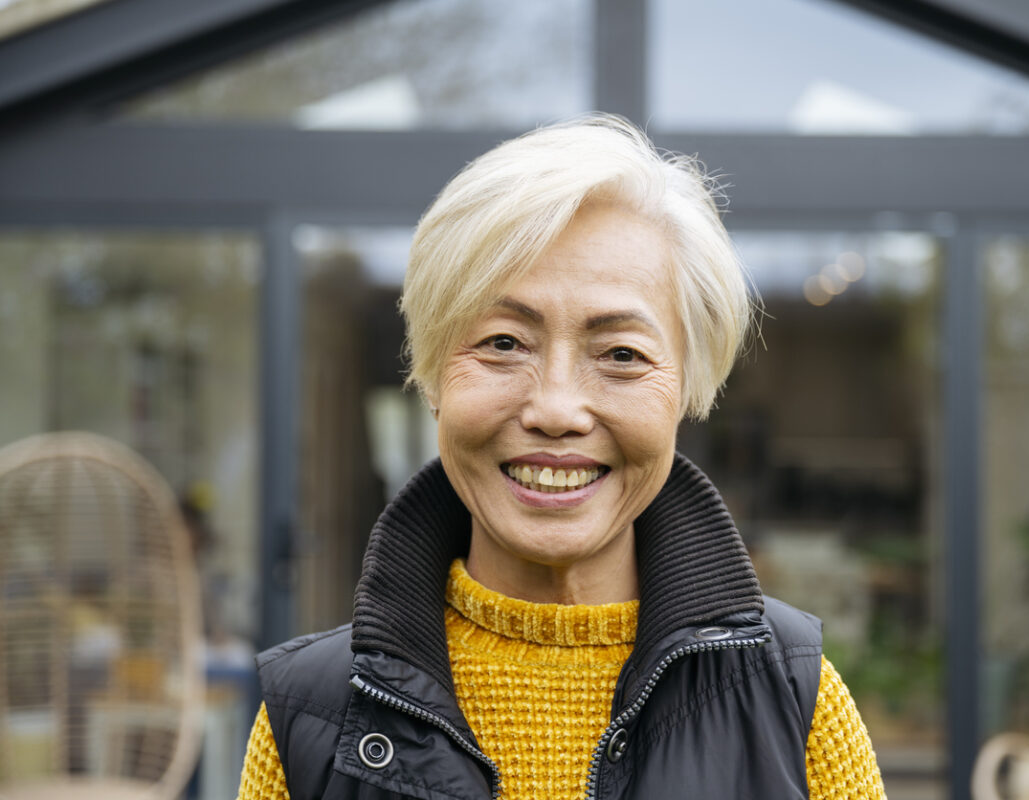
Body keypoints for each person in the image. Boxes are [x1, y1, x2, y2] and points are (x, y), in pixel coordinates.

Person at [237, 114, 886, 800]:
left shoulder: (793, 700)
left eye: (621, 355)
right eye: (503, 343)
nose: (555, 409)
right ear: (431, 377)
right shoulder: (309, 722)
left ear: (688, 391)